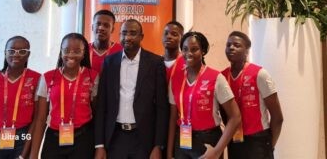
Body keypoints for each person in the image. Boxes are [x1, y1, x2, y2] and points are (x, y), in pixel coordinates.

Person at [94, 19, 169, 159]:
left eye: (133, 33)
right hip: (115, 137)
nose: (127, 37)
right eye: (124, 33)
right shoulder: (109, 62)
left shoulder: (155, 63)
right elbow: (101, 106)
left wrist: (158, 145)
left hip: (144, 139)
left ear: (141, 36)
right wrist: (99, 145)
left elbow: (161, 108)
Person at [167, 31, 241, 159]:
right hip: (182, 139)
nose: (189, 53)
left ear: (203, 51)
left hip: (208, 140)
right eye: (185, 49)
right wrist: (169, 154)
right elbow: (173, 118)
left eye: (194, 49)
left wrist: (217, 151)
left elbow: (235, 117)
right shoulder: (176, 79)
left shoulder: (216, 77)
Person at [30, 33, 99, 159]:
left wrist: (99, 147)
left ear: (84, 53)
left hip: (83, 139)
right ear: (61, 52)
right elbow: (40, 119)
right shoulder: (47, 77)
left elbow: (97, 113)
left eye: (77, 51)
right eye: (66, 50)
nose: (71, 55)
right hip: (54, 139)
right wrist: (34, 154)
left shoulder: (92, 77)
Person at [221, 31, 283, 159]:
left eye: (237, 45)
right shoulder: (222, 77)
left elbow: (278, 117)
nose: (231, 47)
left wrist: (268, 147)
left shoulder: (259, 74)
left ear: (247, 51)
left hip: (258, 141)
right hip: (234, 140)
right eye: (228, 45)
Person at [0, 36, 41, 159]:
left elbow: (37, 118)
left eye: (22, 51)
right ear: (5, 53)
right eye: (11, 51)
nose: (16, 55)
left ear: (28, 55)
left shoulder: (37, 79)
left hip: (23, 137)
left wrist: (24, 154)